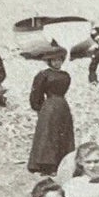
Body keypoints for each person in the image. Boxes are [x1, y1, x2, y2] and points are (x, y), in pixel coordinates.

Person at [28, 44, 76, 175]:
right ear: (49, 62)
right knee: (49, 135)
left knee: (62, 133)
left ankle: (62, 163)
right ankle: (47, 165)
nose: (57, 62)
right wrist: (38, 107)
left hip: (62, 106)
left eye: (59, 60)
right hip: (49, 107)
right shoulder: (43, 75)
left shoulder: (66, 75)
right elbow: (36, 93)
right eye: (54, 60)